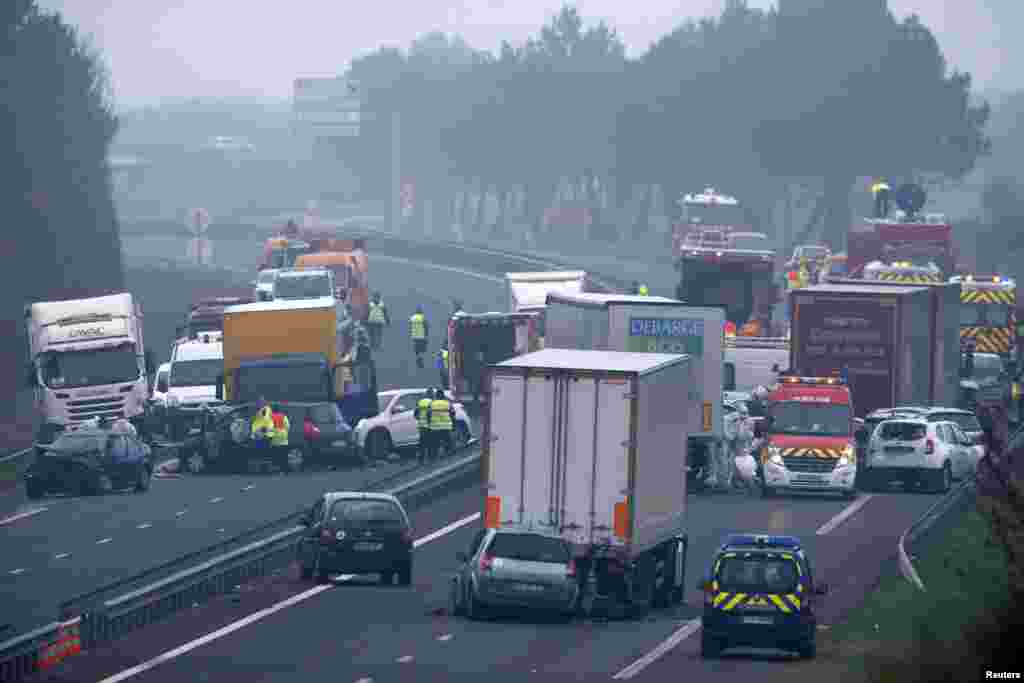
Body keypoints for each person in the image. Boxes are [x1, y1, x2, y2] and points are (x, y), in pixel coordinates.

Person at [428, 388, 455, 459]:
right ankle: (448, 455)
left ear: (436, 396)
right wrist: (451, 422)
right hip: (446, 426)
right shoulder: (447, 403)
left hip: (435, 427)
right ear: (443, 396)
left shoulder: (432, 404)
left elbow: (428, 414)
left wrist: (430, 423)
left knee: (435, 443)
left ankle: (434, 457)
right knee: (448, 441)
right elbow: (453, 413)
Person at [414, 392, 433, 465]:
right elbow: (430, 414)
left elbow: (415, 414)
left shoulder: (420, 402)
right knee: (430, 443)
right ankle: (430, 459)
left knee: (422, 444)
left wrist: (420, 419)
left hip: (422, 426)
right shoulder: (431, 402)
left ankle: (420, 460)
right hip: (429, 426)